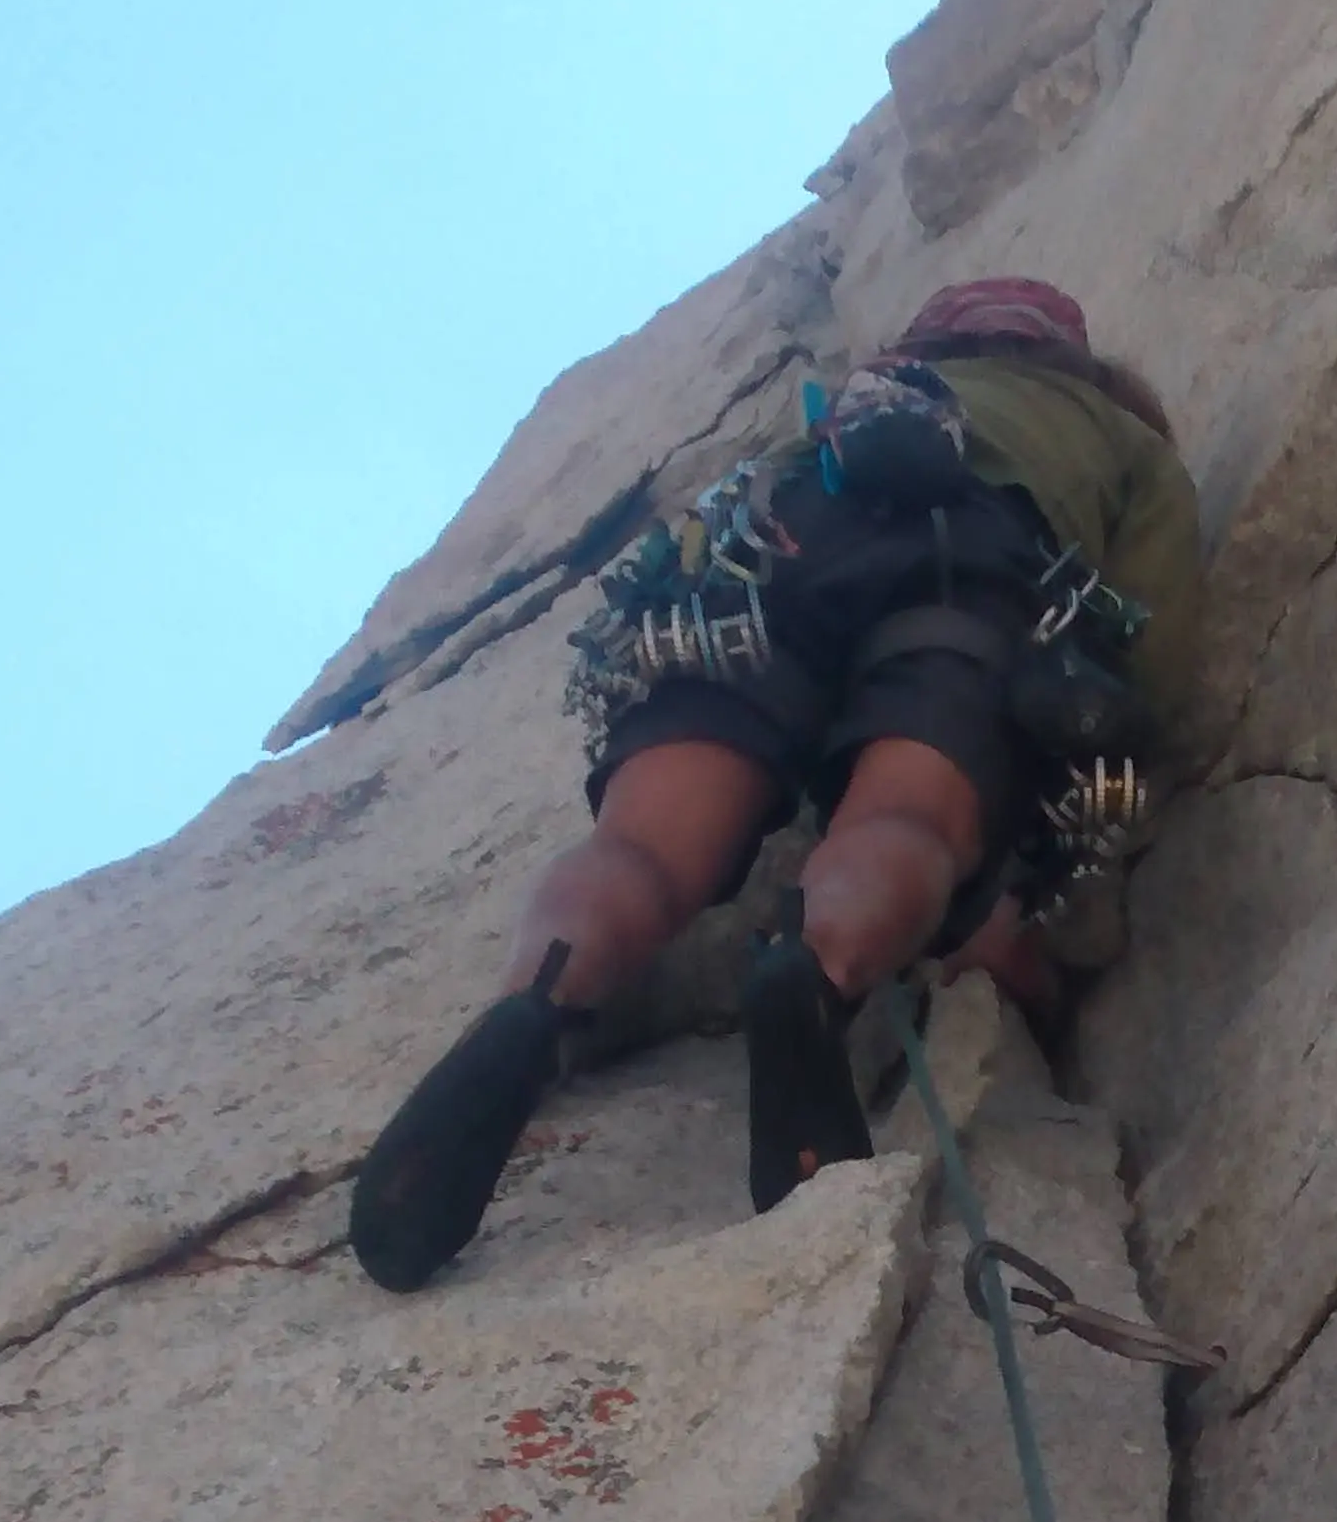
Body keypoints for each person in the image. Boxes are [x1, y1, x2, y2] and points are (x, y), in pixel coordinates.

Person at [347, 277, 1200, 1291]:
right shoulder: (1110, 432)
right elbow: (1153, 640)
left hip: (758, 572)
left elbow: (705, 532)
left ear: (931, 331)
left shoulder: (860, 402)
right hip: (970, 572)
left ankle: (534, 1003)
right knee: (902, 818)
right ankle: (815, 970)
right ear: (1073, 354)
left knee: (644, 851)